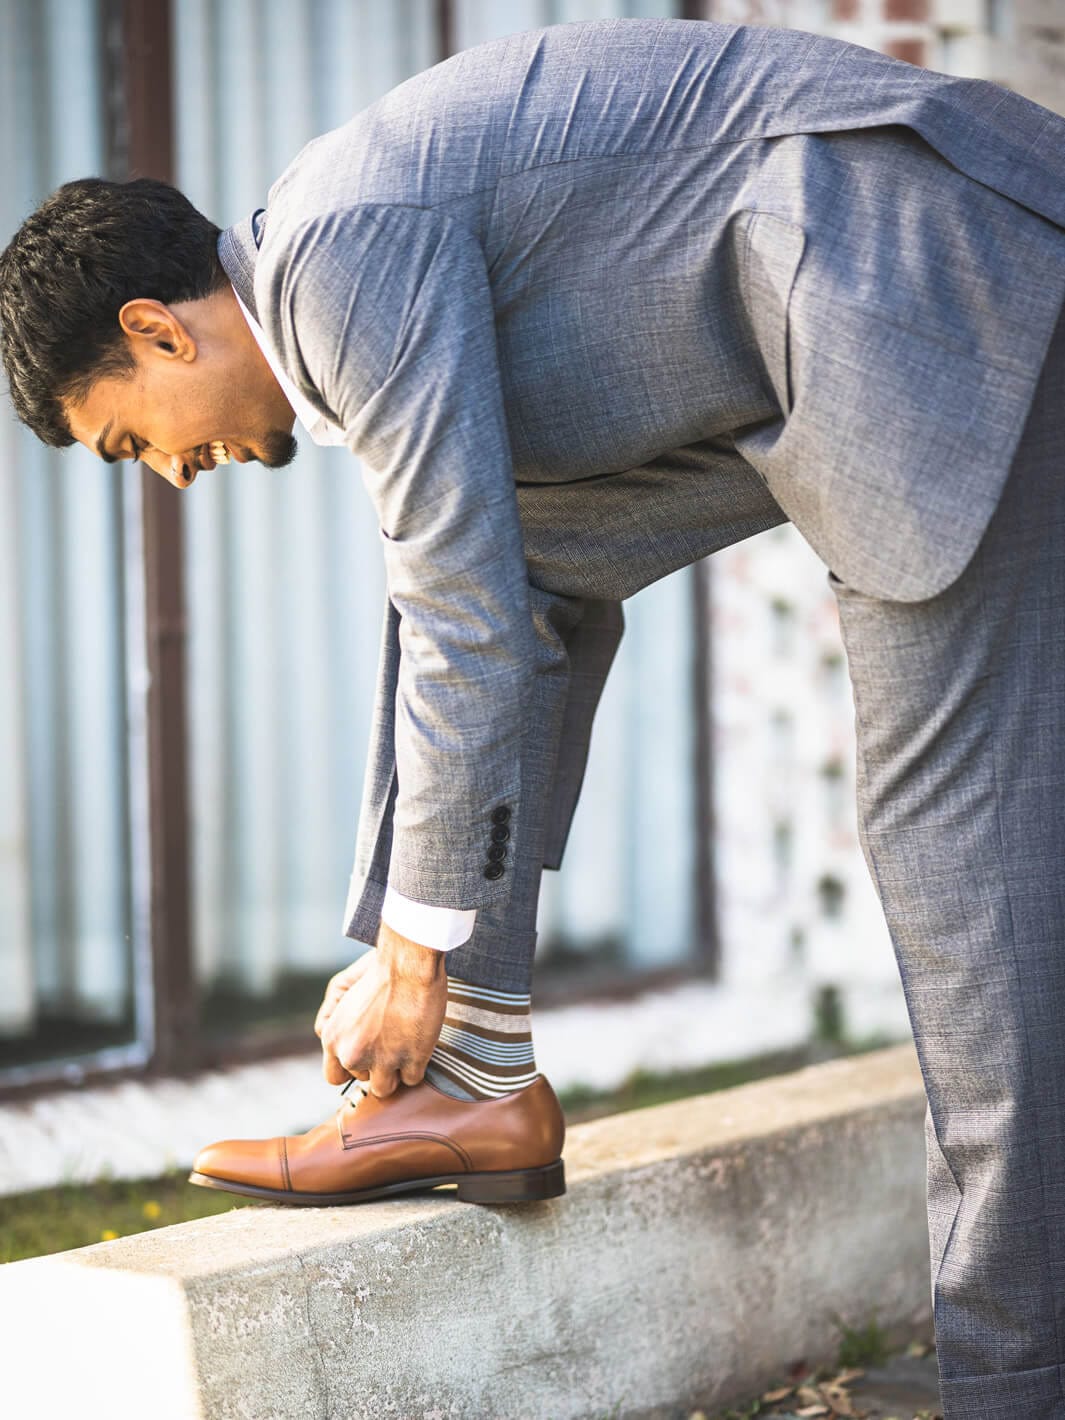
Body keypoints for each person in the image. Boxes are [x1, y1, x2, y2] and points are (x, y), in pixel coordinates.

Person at [3, 16, 1065, 1414]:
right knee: (510, 562)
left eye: (136, 437)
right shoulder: (339, 252)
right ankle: (469, 1074)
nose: (174, 477)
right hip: (831, 328)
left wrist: (411, 941)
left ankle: (1010, 1382)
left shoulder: (332, 253)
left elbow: (467, 619)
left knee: (954, 863)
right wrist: (420, 954)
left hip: (924, 284)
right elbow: (498, 586)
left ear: (155, 328)